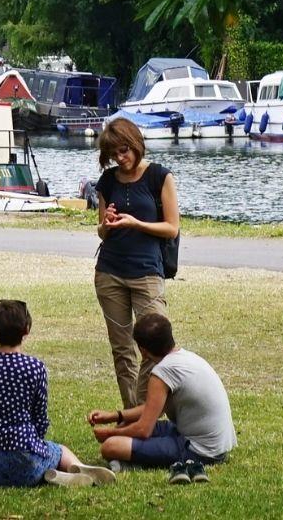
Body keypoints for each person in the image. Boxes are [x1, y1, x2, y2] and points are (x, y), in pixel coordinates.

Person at [0, 299, 116, 489]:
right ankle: (76, 469)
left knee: (35, 455)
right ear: (26, 330)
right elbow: (40, 419)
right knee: (59, 450)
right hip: (25, 462)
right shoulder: (34, 367)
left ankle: (55, 476)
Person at [92, 118, 180, 408]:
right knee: (122, 350)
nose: (121, 157)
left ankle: (149, 411)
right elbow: (101, 230)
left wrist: (136, 223)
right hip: (110, 273)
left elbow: (172, 228)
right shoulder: (107, 182)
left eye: (125, 150)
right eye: (114, 153)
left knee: (155, 346)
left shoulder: (159, 177)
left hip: (147, 273)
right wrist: (108, 223)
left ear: (137, 144)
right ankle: (133, 414)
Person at [88, 313, 235, 484]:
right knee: (125, 426)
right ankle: (140, 456)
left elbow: (144, 430)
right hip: (210, 442)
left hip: (200, 450)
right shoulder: (185, 357)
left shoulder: (162, 373)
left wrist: (109, 433)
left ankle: (135, 464)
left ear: (143, 350)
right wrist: (115, 416)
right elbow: (153, 409)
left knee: (110, 446)